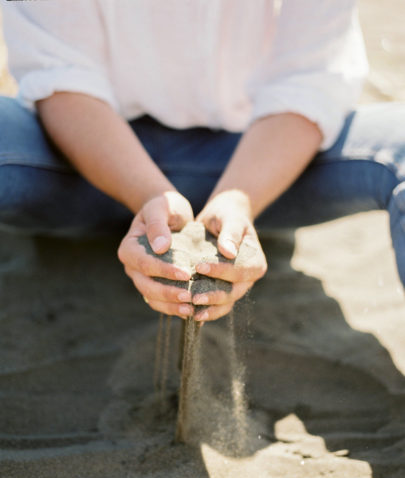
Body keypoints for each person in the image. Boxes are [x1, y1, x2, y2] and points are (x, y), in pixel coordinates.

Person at [1, 1, 404, 323]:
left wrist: (239, 200)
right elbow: (62, 76)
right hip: (76, 159)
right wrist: (146, 192)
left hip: (258, 161)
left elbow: (309, 79)